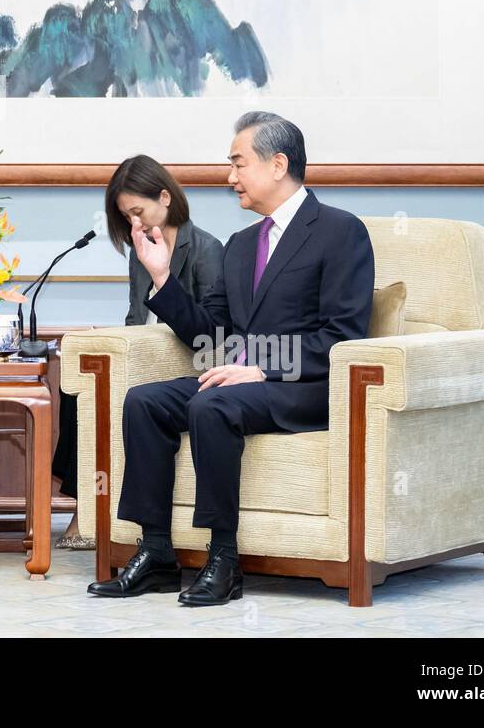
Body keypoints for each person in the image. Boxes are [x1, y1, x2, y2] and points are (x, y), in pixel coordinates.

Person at [88, 112, 374, 605]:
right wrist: (161, 278)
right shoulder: (243, 245)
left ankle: (224, 559)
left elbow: (342, 335)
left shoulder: (339, 231)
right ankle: (156, 552)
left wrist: (263, 367)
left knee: (211, 405)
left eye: (238, 164)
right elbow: (210, 330)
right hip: (243, 380)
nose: (230, 177)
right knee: (144, 401)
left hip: (303, 387)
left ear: (278, 163)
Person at [52, 155, 223, 548]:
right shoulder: (140, 249)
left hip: (183, 360)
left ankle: (86, 514)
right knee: (79, 382)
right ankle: (85, 505)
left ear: (165, 197)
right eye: (126, 217)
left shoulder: (207, 249)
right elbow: (136, 317)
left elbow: (209, 332)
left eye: (138, 212)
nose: (135, 225)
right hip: (142, 355)